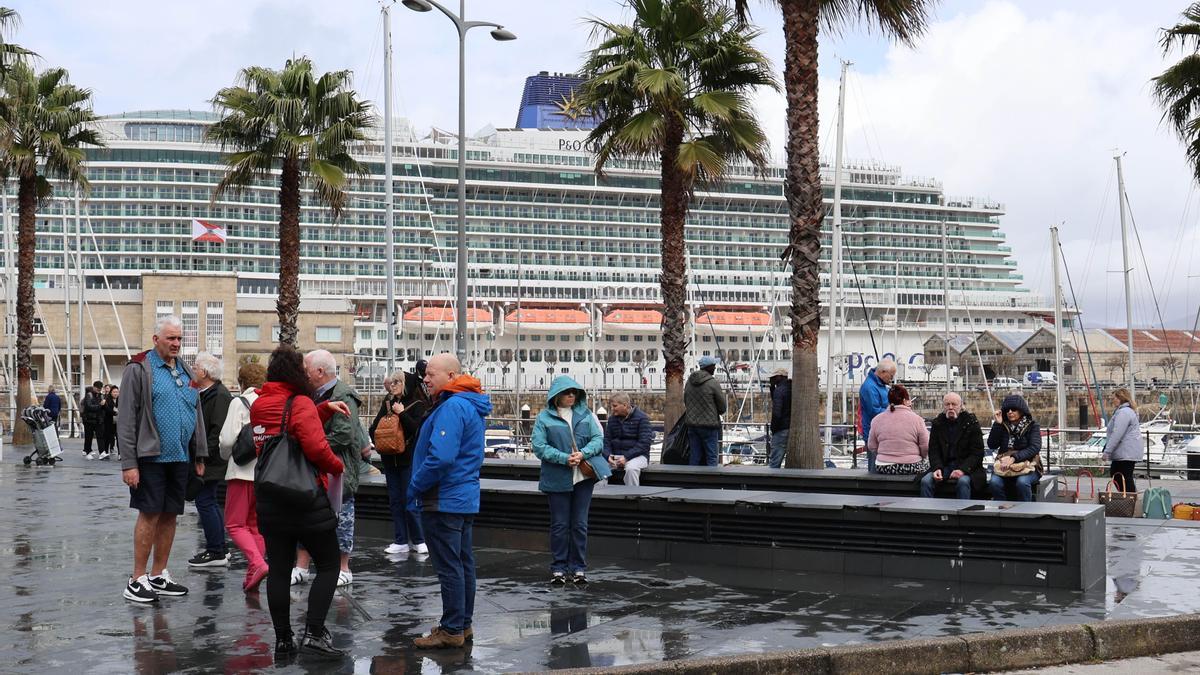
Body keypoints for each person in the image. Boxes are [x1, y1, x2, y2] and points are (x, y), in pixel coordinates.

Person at [250, 345, 346, 660]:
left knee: (278, 568)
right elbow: (315, 448)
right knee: (330, 564)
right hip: (305, 498)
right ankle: (315, 633)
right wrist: (337, 466)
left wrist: (322, 409)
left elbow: (283, 426)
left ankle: (283, 640)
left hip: (269, 496)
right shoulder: (301, 402)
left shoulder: (260, 404)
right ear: (295, 373)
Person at [116, 315, 206, 604]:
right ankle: (136, 578)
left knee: (170, 515)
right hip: (150, 457)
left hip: (180, 457)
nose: (176, 343)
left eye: (179, 338)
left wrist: (199, 454)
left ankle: (158, 574)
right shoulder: (139, 368)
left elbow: (197, 412)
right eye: (171, 338)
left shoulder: (186, 370)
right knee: (149, 514)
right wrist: (129, 463)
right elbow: (127, 418)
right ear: (156, 340)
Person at [408, 353, 491, 649]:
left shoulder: (452, 406)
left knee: (450, 567)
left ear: (452, 376)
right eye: (425, 374)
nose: (425, 378)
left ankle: (452, 629)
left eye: (431, 374)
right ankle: (462, 624)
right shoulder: (467, 403)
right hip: (462, 497)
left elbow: (441, 457)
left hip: (443, 499)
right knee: (463, 564)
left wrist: (414, 486)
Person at [292, 349, 368, 588]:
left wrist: (312, 443)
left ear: (319, 372)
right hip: (316, 469)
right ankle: (301, 566)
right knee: (306, 515)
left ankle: (344, 568)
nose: (303, 375)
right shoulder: (313, 395)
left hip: (339, 472)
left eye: (306, 370)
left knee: (342, 516)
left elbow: (345, 435)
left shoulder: (344, 396)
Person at [533, 376, 611, 585]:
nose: (571, 395)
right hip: (557, 477)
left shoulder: (586, 414)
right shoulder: (543, 418)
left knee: (579, 524)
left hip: (583, 477)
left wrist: (582, 454)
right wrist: (563, 458)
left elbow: (598, 440)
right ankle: (558, 568)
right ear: (556, 395)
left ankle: (578, 568)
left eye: (574, 392)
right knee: (559, 524)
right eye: (567, 392)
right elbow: (538, 447)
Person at [218, 362, 269, 593]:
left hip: (241, 472)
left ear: (242, 382)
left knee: (235, 524)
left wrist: (225, 455)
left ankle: (258, 564)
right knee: (256, 526)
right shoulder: (269, 402)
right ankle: (253, 572)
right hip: (265, 473)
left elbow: (228, 440)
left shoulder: (239, 402)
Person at [369, 363, 429, 556]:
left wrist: (401, 413)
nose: (392, 385)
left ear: (406, 384)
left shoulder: (418, 404)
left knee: (411, 500)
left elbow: (417, 430)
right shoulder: (387, 403)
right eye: (392, 381)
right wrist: (383, 437)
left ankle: (419, 540)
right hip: (389, 459)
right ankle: (401, 540)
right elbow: (374, 428)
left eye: (397, 382)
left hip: (408, 459)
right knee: (395, 501)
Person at [188, 352, 233, 568]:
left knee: (205, 502)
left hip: (211, 460)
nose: (193, 370)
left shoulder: (220, 396)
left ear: (204, 372)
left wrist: (203, 458)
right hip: (209, 458)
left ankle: (216, 550)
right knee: (209, 502)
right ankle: (220, 548)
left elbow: (217, 431)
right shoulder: (208, 393)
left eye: (195, 367)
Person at [921, 392, 986, 499]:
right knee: (926, 481)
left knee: (963, 482)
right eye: (947, 404)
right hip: (944, 466)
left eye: (954, 404)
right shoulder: (938, 423)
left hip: (967, 467)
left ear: (960, 406)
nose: (950, 407)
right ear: (943, 406)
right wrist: (937, 468)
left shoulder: (971, 423)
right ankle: (928, 514)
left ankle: (962, 514)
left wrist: (962, 470)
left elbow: (977, 453)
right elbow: (933, 450)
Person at [987, 394, 1043, 502]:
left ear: (1021, 410)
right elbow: (992, 445)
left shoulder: (1032, 425)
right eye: (1007, 410)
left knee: (1022, 482)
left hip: (1028, 465)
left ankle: (1026, 512)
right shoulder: (1002, 425)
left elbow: (1035, 447)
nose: (1010, 412)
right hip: (1004, 467)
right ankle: (1002, 510)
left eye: (1014, 409)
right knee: (994, 483)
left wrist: (1013, 458)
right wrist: (997, 425)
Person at [867, 383, 929, 475]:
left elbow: (872, 446)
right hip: (910, 465)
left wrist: (883, 456)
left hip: (883, 466)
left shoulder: (876, 419)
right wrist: (922, 457)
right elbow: (925, 446)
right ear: (904, 400)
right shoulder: (917, 419)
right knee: (931, 466)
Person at [683, 355, 726, 466]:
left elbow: (685, 400)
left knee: (695, 455)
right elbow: (722, 407)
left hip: (692, 425)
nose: (715, 368)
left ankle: (692, 480)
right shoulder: (713, 383)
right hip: (709, 425)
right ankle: (711, 481)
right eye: (713, 366)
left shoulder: (689, 382)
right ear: (708, 367)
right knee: (711, 456)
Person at [603, 392, 652, 486]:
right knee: (599, 468)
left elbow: (644, 444)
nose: (612, 409)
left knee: (631, 469)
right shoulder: (612, 419)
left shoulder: (642, 418)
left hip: (637, 457)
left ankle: (632, 497)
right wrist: (607, 455)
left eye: (614, 406)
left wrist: (626, 457)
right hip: (615, 457)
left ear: (625, 405)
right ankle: (599, 497)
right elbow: (607, 441)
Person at [858, 359, 894, 473]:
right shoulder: (869, 387)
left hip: (881, 431)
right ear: (883, 372)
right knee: (875, 466)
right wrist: (894, 410)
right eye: (891, 375)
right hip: (873, 433)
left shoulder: (879, 385)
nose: (891, 379)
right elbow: (874, 411)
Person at [1102, 388, 1141, 493]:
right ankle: (1129, 498)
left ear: (1120, 398)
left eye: (1114, 398)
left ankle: (1129, 499)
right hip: (1126, 451)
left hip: (1125, 452)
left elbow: (1117, 433)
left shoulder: (1123, 413)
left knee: (1121, 476)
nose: (1112, 400)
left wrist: (1107, 452)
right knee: (1123, 476)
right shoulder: (1125, 411)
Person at [767, 368, 792, 468]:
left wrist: (773, 429)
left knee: (774, 462)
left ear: (778, 377)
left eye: (772, 378)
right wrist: (772, 389)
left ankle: (772, 482)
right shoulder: (791, 388)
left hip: (781, 429)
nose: (770, 380)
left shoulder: (779, 391)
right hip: (791, 426)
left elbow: (777, 413)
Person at [82, 383, 104, 458]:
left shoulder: (100, 395)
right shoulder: (89, 395)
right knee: (89, 436)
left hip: (98, 419)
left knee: (100, 436)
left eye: (100, 388)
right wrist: (100, 405)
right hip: (89, 420)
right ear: (94, 387)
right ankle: (87, 451)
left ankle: (102, 452)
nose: (99, 390)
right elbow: (89, 407)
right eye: (98, 388)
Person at [99, 386, 120, 460]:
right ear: (111, 393)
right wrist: (115, 412)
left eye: (117, 392)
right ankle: (106, 452)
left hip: (118, 423)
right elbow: (107, 410)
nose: (115, 393)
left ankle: (120, 454)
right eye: (114, 392)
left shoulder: (120, 400)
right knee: (107, 437)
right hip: (108, 422)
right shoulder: (107, 400)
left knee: (119, 438)